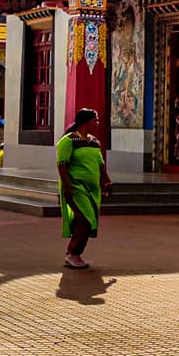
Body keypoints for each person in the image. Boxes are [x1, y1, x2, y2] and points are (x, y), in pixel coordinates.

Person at [57, 108, 112, 269]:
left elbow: (100, 164)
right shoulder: (68, 141)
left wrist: (107, 181)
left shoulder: (94, 141)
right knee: (85, 220)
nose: (97, 123)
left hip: (92, 189)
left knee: (90, 221)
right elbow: (62, 165)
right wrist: (68, 187)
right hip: (75, 187)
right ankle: (73, 253)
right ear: (85, 122)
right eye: (95, 120)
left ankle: (75, 253)